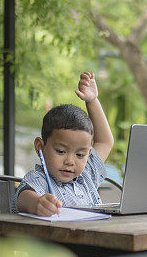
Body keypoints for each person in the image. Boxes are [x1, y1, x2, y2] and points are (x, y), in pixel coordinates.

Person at [13, 71, 114, 216]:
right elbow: (23, 198)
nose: (70, 161)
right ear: (40, 147)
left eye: (80, 154)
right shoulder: (39, 179)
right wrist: (37, 203)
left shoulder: (87, 176)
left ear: (88, 154)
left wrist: (92, 101)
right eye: (60, 151)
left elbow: (105, 141)